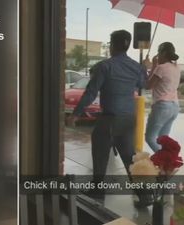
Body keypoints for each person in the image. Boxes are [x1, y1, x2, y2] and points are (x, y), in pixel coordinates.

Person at [67, 30, 151, 206]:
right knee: (129, 157)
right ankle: (144, 195)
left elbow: (91, 92)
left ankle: (98, 189)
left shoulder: (105, 66)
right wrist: (144, 68)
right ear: (127, 45)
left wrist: (76, 114)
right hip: (129, 119)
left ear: (112, 45)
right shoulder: (136, 67)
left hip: (110, 119)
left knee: (100, 154)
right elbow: (144, 84)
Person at [144, 42, 181, 152]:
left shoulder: (161, 68)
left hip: (162, 106)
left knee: (150, 138)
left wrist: (153, 66)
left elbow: (148, 86)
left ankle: (167, 161)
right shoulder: (176, 67)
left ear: (163, 53)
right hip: (174, 106)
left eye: (159, 53)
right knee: (163, 139)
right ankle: (166, 164)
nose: (157, 56)